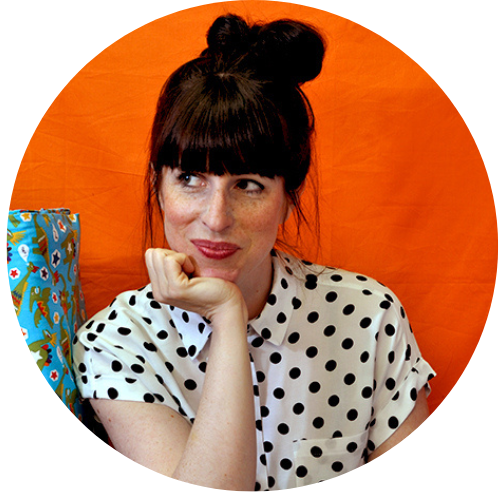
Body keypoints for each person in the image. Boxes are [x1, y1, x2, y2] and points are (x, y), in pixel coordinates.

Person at [73, 14, 436, 491]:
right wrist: (228, 318)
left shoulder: (368, 317)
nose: (216, 218)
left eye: (248, 185)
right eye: (190, 178)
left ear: (288, 196)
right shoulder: (117, 343)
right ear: (158, 186)